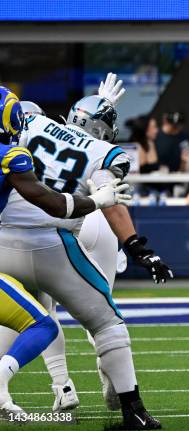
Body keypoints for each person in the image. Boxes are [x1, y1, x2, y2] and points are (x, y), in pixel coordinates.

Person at [0, 82, 171, 429]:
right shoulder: (107, 153)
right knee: (107, 322)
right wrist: (138, 247)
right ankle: (133, 411)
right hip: (54, 241)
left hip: (3, 241)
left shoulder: (28, 122)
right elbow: (107, 192)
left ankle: (53, 386)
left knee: (22, 320)